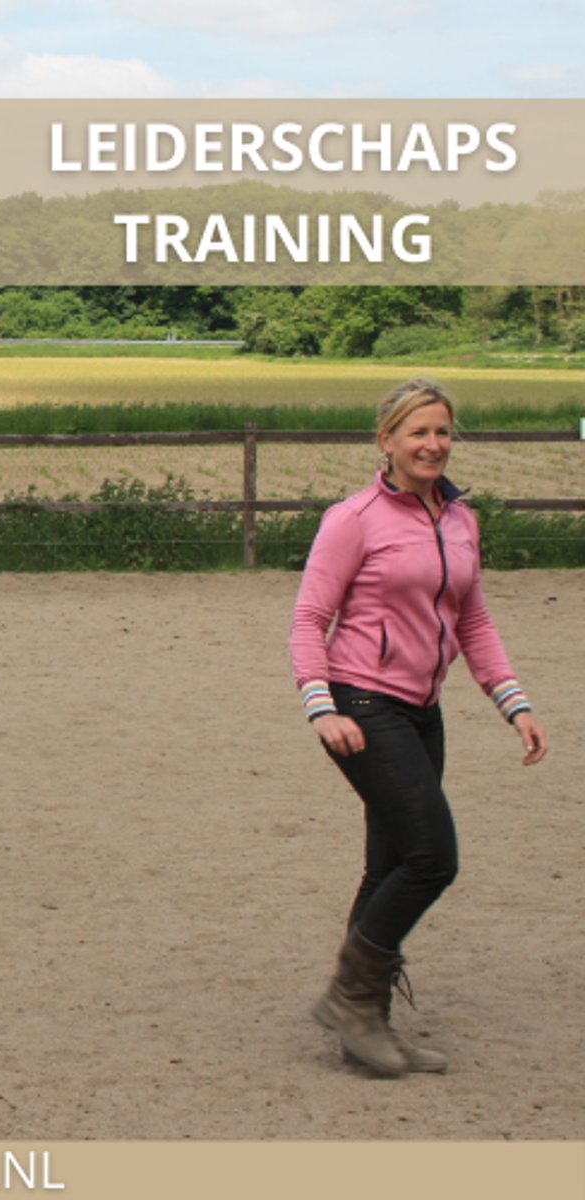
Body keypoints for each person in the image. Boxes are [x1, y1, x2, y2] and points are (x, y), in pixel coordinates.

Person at [288, 377, 548, 1077]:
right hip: (362, 705)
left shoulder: (460, 519)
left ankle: (366, 1023)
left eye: (442, 431)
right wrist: (322, 706)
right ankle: (350, 998)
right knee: (434, 858)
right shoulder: (355, 519)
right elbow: (311, 619)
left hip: (422, 711)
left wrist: (513, 702)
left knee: (391, 864)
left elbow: (473, 620)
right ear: (387, 441)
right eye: (418, 432)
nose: (433, 444)